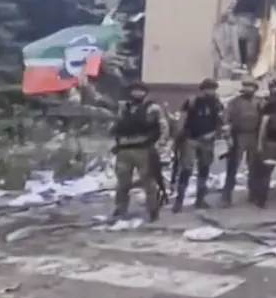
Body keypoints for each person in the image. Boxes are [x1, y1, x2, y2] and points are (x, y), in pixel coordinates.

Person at [111, 81, 169, 221]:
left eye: (140, 91)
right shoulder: (124, 107)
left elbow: (163, 127)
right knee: (122, 183)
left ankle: (153, 210)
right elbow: (117, 125)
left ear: (145, 93)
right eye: (135, 90)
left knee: (148, 182)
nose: (137, 93)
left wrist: (160, 145)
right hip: (124, 150)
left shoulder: (153, 108)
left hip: (143, 149)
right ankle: (120, 208)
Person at [173, 78, 224, 212]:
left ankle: (200, 199)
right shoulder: (191, 102)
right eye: (207, 89)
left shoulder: (217, 103)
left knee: (204, 170)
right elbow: (182, 120)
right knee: (186, 170)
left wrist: (214, 134)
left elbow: (220, 122)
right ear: (202, 90)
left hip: (207, 140)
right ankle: (179, 201)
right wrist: (179, 136)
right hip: (191, 139)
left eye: (212, 89)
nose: (210, 92)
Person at [222, 77, 262, 207]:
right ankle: (226, 196)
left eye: (251, 86)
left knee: (254, 167)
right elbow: (226, 120)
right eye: (246, 86)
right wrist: (228, 138)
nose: (248, 89)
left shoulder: (259, 102)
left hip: (254, 136)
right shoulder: (234, 102)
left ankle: (254, 194)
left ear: (255, 89)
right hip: (238, 135)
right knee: (233, 166)